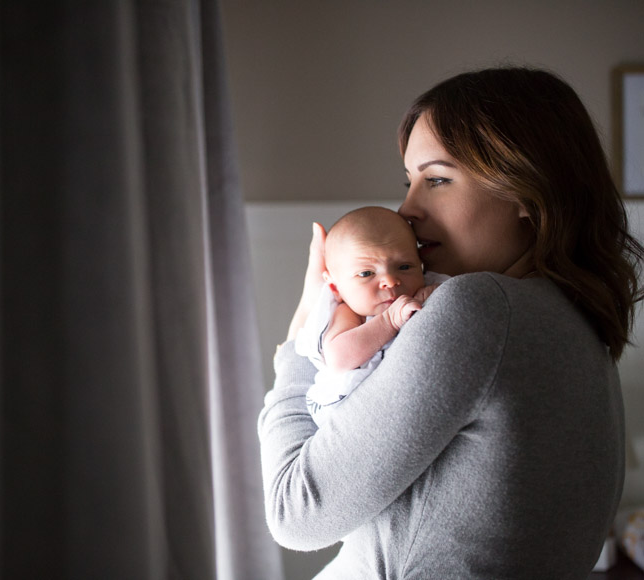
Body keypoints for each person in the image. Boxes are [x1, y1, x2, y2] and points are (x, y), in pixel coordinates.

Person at [258, 66, 644, 579]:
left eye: (436, 179)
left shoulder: (478, 309)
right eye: (409, 181)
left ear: (527, 191)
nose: (407, 209)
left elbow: (295, 513)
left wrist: (300, 341)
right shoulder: (577, 322)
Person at [295, 206, 444, 423]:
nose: (391, 281)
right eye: (366, 273)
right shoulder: (348, 312)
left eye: (404, 266)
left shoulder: (425, 290)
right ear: (336, 288)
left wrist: (431, 297)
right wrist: (389, 320)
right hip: (351, 420)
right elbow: (338, 358)